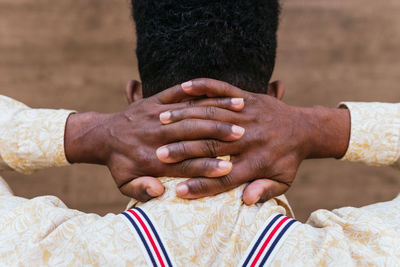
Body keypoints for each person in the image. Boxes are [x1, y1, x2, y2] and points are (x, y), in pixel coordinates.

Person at [0, 1, 398, 267]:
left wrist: (88, 134)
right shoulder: (365, 253)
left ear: (135, 98)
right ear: (275, 97)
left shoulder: (36, 249)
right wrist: (321, 129)